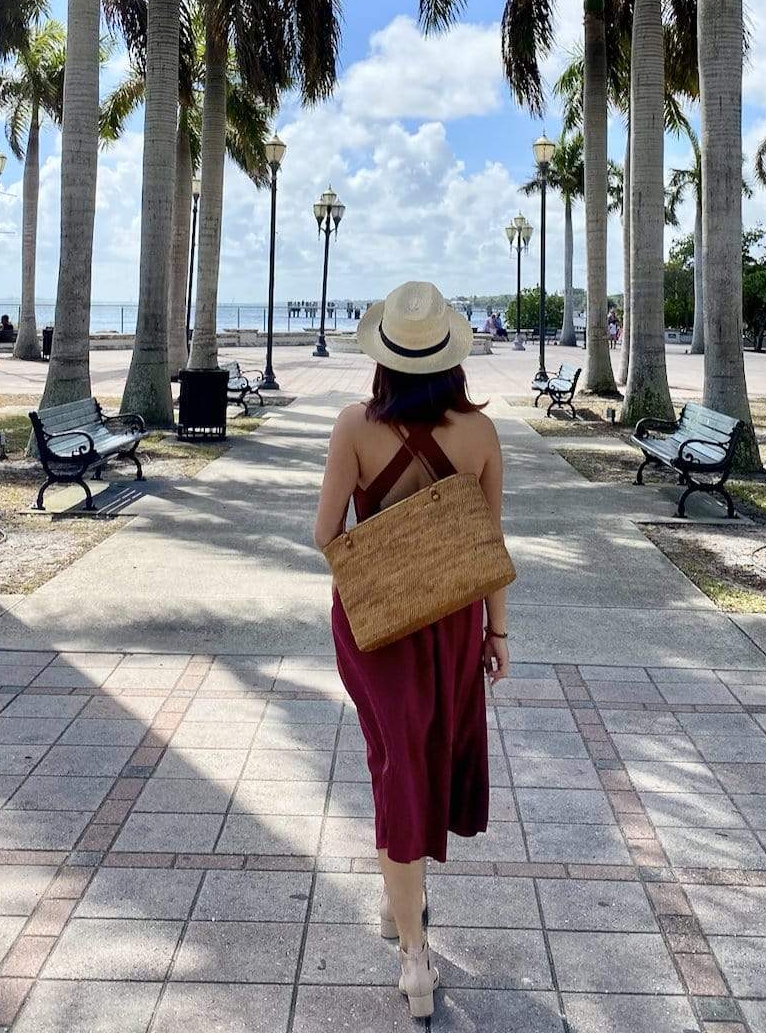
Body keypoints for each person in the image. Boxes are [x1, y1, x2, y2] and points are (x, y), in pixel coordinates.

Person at [314, 281, 509, 1021]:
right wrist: (497, 633)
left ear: (385, 358)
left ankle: (414, 955)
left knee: (392, 762)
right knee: (424, 758)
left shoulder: (354, 427)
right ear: (451, 359)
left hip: (377, 627)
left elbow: (325, 536)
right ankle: (410, 910)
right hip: (454, 623)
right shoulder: (481, 435)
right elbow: (491, 547)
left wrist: (392, 537)